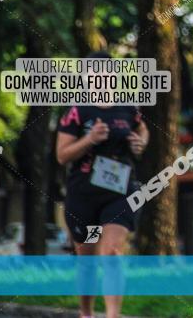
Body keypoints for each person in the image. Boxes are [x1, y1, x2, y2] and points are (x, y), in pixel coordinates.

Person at [55, 52, 149, 318]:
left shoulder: (127, 108)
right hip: (83, 193)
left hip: (120, 191)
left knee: (112, 252)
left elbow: (142, 129)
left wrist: (140, 142)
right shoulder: (77, 111)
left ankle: (112, 315)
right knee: (87, 261)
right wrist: (90, 140)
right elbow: (62, 155)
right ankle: (86, 313)